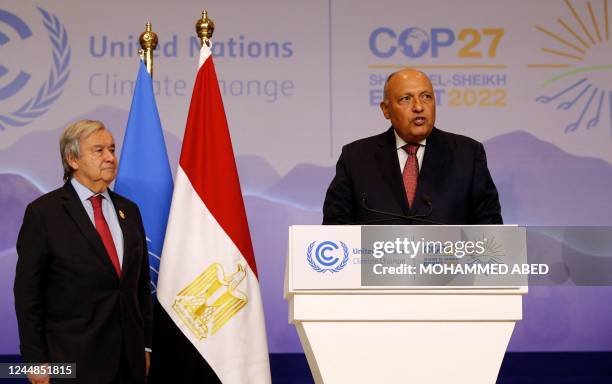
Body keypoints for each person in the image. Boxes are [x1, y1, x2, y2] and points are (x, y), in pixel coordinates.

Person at [14, 120, 152, 384]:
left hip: (130, 362)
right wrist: (35, 359)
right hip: (71, 362)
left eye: (112, 149)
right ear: (72, 159)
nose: (110, 157)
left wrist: (145, 346)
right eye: (99, 151)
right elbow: (28, 294)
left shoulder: (130, 211)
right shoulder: (44, 213)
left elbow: (140, 286)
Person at [323, 69, 502, 225]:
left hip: (449, 263)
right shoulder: (356, 157)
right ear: (386, 109)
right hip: (376, 263)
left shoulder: (468, 154)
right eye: (406, 98)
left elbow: (490, 224)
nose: (418, 107)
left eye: (426, 97)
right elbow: (334, 225)